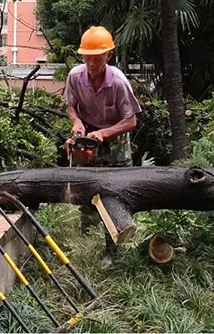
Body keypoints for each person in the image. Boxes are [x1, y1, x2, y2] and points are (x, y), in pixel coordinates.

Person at [64, 26, 142, 263]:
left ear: (108, 56)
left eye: (96, 58)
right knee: (84, 186)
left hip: (116, 138)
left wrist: (105, 133)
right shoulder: (75, 77)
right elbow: (71, 106)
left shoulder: (118, 82)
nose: (91, 63)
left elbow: (131, 120)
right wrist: (77, 122)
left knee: (113, 193)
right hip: (88, 137)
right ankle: (84, 244)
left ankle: (113, 251)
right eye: (87, 58)